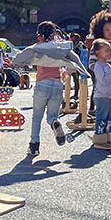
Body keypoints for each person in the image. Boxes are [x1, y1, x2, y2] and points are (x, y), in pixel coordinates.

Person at [28, 21, 68, 156]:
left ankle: (34, 145)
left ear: (39, 35)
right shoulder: (57, 48)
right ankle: (54, 122)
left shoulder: (37, 47)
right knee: (52, 115)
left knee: (37, 117)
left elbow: (27, 60)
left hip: (42, 83)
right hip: (57, 84)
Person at [88, 10, 111, 140]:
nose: (110, 32)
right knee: (103, 108)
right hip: (102, 81)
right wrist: (99, 70)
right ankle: (101, 134)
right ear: (100, 31)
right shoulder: (97, 46)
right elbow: (91, 63)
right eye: (107, 29)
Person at [90, 39, 111, 149]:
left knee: (109, 118)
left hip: (110, 96)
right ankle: (99, 139)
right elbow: (103, 81)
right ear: (97, 52)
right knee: (101, 118)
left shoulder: (108, 65)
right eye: (106, 50)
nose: (109, 53)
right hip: (102, 97)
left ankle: (107, 138)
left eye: (110, 50)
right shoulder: (98, 66)